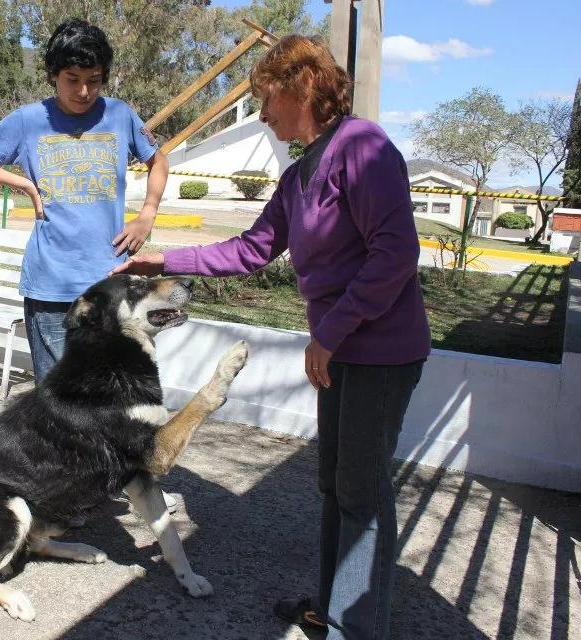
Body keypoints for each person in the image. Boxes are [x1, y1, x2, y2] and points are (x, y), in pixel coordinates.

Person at [112, 34, 430, 640]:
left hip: (380, 352)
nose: (262, 114)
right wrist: (159, 261)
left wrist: (328, 334)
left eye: (267, 98)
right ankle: (336, 606)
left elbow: (395, 254)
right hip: (341, 352)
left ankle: (353, 627)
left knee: (361, 492)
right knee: (337, 485)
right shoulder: (303, 171)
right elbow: (250, 249)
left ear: (304, 85)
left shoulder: (362, 146)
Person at [0, 18, 177, 516]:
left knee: (118, 396)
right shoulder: (29, 120)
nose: (83, 91)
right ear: (54, 75)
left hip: (111, 291)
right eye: (72, 80)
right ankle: (61, 498)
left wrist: (147, 213)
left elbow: (158, 160)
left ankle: (123, 485)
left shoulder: (119, 116)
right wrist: (22, 184)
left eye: (93, 81)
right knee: (60, 401)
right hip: (51, 285)